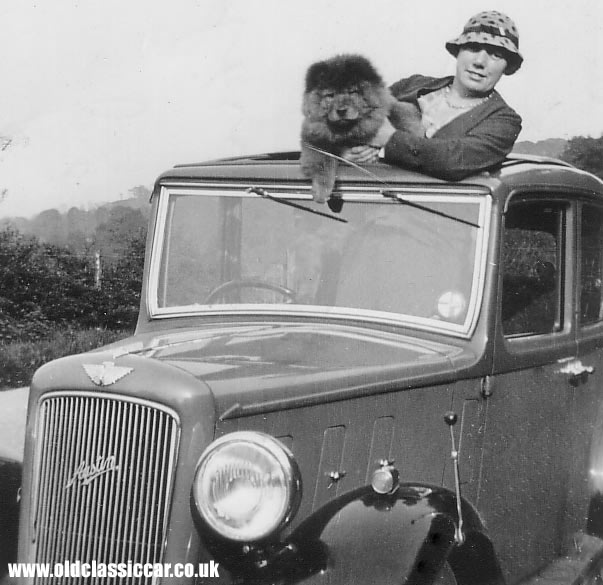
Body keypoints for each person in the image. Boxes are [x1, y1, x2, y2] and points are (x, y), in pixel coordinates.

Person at [345, 10, 523, 181]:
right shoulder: (412, 85)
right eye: (473, 48)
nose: (479, 62)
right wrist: (345, 154)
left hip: (439, 211)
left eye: (496, 55)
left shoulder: (504, 121)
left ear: (507, 67)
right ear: (458, 51)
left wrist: (388, 139)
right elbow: (348, 118)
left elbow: (454, 160)